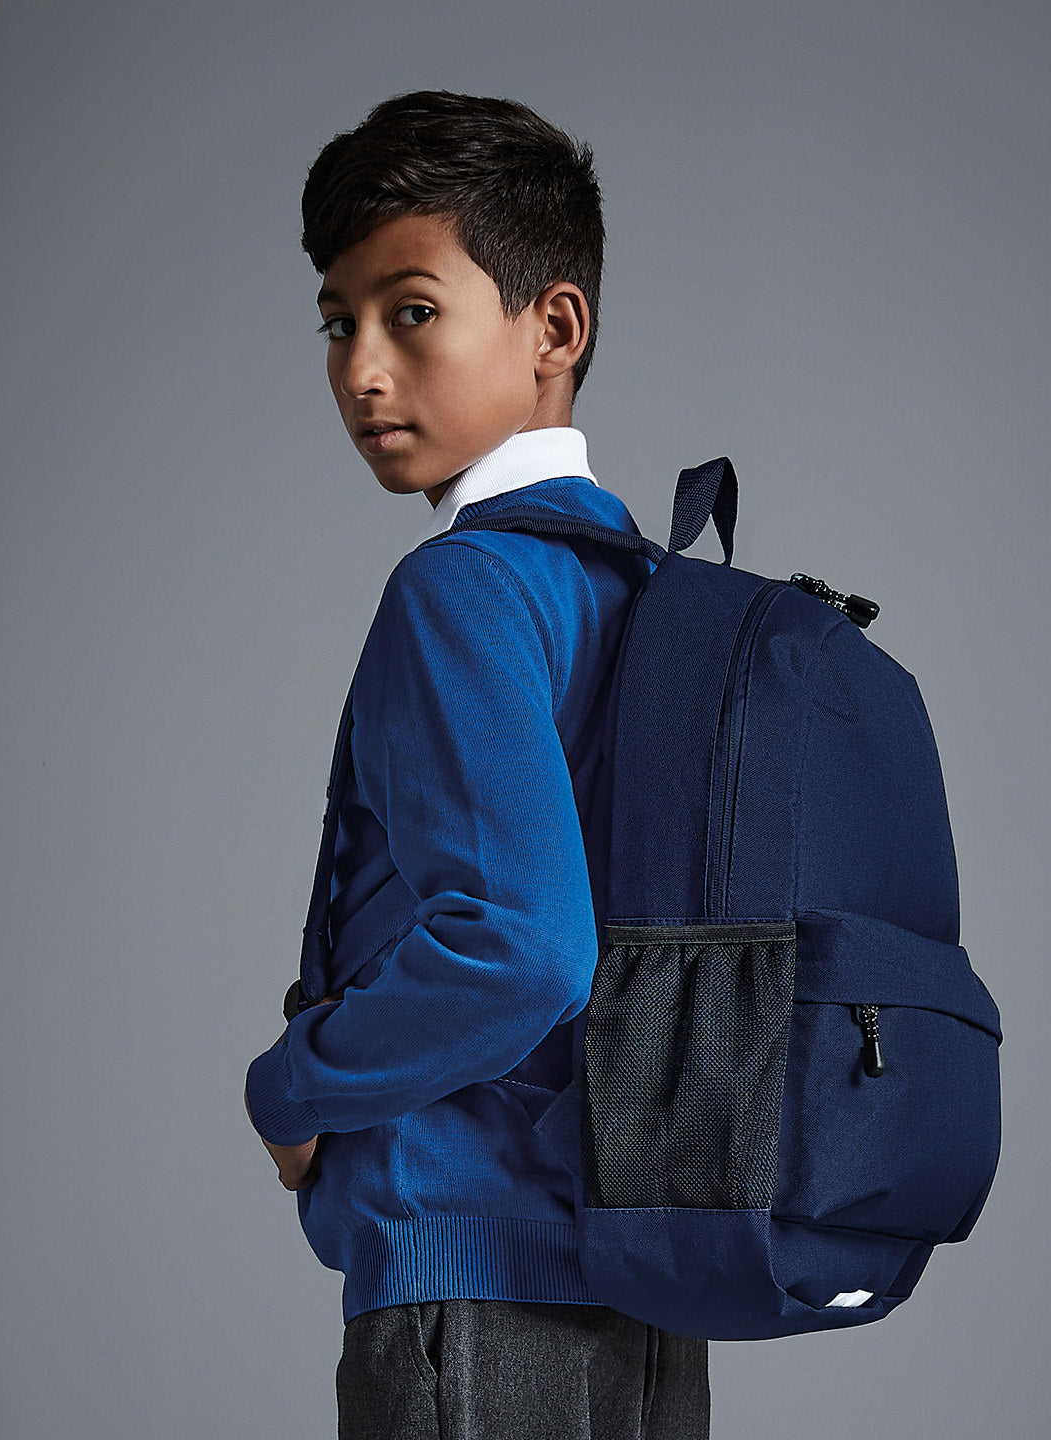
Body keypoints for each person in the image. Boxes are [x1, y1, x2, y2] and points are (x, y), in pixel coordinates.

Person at [244, 90, 711, 1439]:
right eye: (338, 322)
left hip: (472, 1283)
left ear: (554, 329)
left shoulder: (464, 589)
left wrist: (292, 1084)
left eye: (411, 312)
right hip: (644, 1280)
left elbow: (524, 948)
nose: (361, 370)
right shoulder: (647, 595)